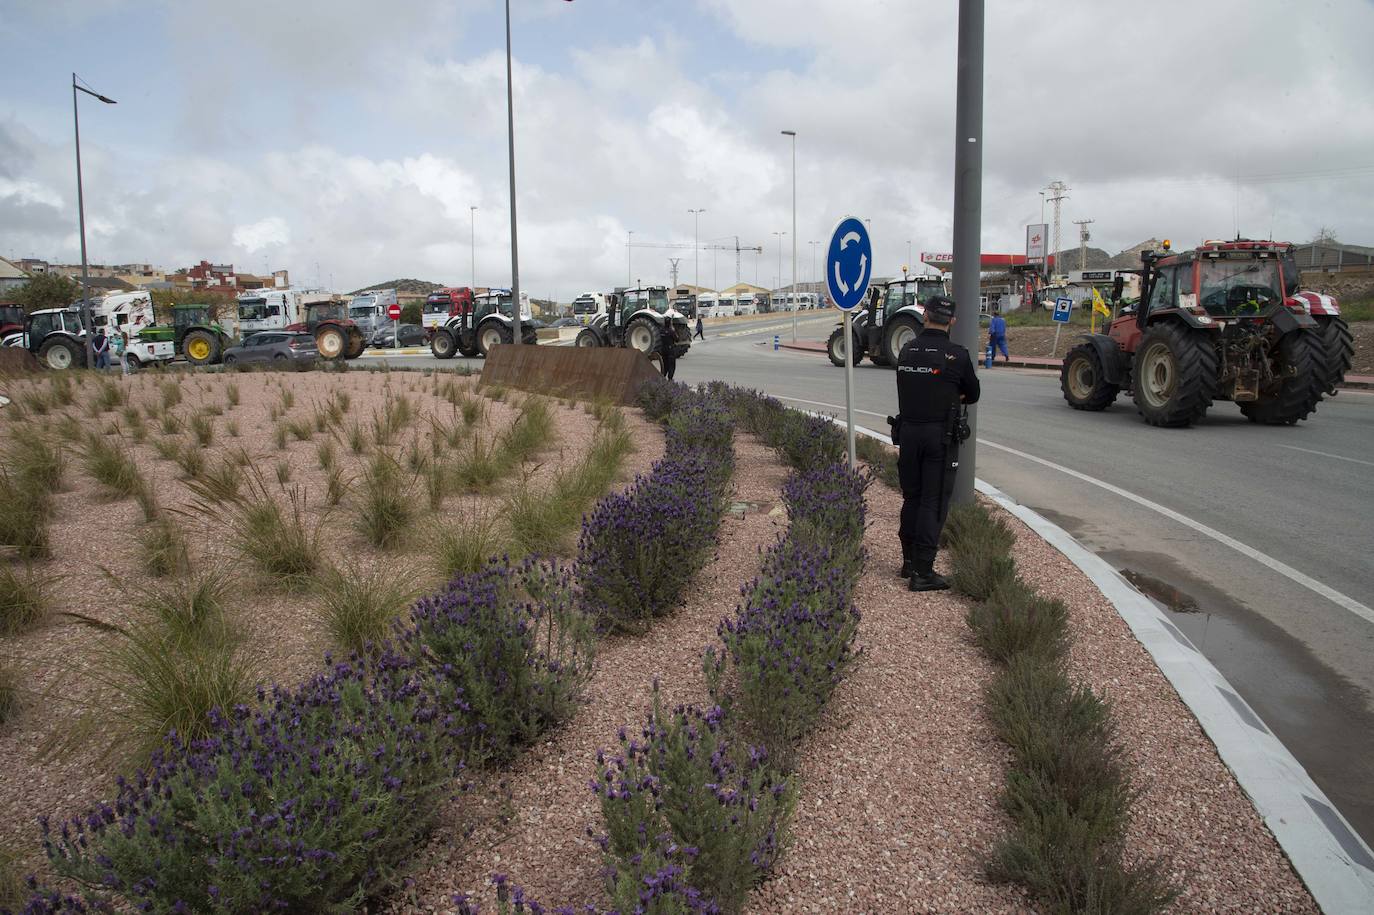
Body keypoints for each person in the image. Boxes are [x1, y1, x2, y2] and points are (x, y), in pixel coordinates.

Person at [893, 295, 980, 591]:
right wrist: (953, 395)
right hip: (938, 437)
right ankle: (923, 572)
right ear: (952, 321)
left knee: (911, 498)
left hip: (908, 433)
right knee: (933, 501)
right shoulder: (957, 355)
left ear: (925, 315)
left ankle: (907, 563)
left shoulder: (906, 350)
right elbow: (974, 393)